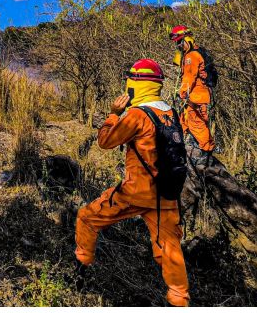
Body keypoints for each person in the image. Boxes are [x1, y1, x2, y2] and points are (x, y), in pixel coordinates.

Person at [75, 59, 190, 307]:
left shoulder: (138, 115)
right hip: (166, 196)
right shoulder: (170, 113)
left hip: (134, 192)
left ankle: (79, 276)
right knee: (171, 252)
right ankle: (179, 300)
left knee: (86, 217)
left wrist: (114, 115)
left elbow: (106, 141)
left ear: (136, 84)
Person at [169, 25, 214, 165]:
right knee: (183, 122)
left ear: (184, 40)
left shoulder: (192, 56)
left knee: (198, 126)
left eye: (178, 42)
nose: (178, 45)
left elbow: (189, 77)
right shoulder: (192, 53)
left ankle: (205, 155)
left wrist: (181, 94)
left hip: (197, 98)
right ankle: (185, 150)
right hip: (193, 98)